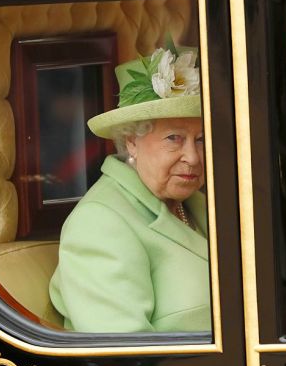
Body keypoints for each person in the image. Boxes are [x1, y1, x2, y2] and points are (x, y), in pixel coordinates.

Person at [49, 45, 211, 333]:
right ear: (132, 141)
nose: (193, 157)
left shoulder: (200, 205)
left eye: (200, 139)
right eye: (174, 138)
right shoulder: (98, 225)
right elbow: (127, 358)